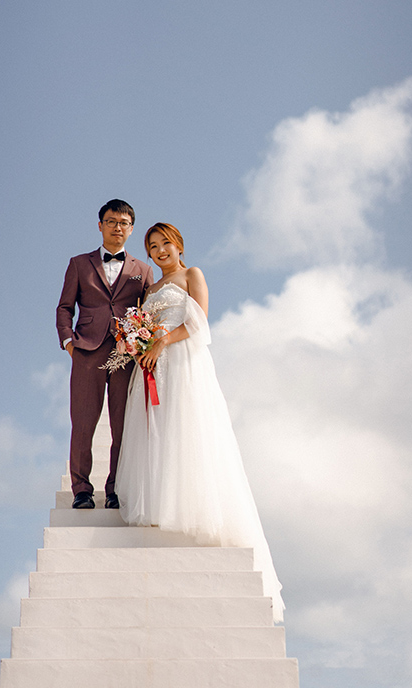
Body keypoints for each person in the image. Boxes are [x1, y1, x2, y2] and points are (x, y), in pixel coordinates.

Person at [115, 222, 284, 623]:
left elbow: (201, 323)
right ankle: (158, 497)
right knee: (153, 430)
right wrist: (138, 344)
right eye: (152, 247)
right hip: (151, 368)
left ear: (178, 245)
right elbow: (139, 324)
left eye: (164, 244)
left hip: (182, 364)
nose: (158, 251)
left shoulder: (192, 276)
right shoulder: (149, 290)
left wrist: (160, 341)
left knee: (186, 428)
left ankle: (187, 499)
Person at [56, 199, 154, 510]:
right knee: (83, 422)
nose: (117, 228)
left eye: (123, 223)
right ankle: (82, 490)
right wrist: (69, 343)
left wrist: (144, 346)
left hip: (127, 356)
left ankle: (115, 489)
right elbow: (64, 308)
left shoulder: (144, 270)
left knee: (124, 423)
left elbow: (149, 313)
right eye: (111, 222)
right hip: (86, 350)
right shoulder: (79, 264)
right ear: (100, 225)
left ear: (131, 229)